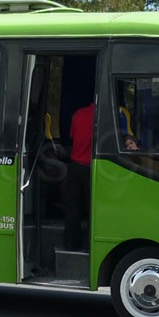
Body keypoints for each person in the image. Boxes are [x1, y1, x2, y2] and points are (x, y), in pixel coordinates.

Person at [64, 102, 94, 250]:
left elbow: (72, 136)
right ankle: (89, 245)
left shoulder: (78, 113)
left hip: (75, 165)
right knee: (93, 209)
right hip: (92, 168)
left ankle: (71, 244)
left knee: (73, 207)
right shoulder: (105, 115)